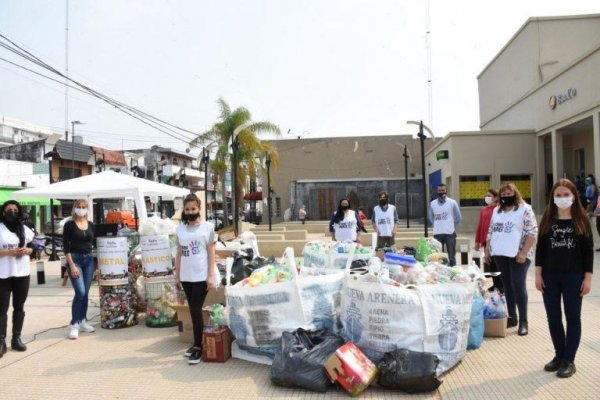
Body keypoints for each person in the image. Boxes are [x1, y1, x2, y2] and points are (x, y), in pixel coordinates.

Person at [535, 179, 593, 378]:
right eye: (558, 195)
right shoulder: (548, 219)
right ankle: (559, 356)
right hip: (550, 276)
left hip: (574, 276)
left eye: (566, 195)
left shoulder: (581, 220)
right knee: (553, 317)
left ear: (574, 196)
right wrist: (538, 274)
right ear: (552, 197)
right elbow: (540, 250)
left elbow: (588, 253)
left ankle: (569, 360)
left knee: (573, 318)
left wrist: (588, 279)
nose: (562, 199)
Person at [485, 182, 537, 336]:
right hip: (500, 252)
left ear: (515, 194)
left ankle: (523, 321)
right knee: (507, 284)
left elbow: (532, 232)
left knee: (518, 284)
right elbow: (491, 230)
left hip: (518, 254)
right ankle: (512, 317)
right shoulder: (497, 210)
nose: (507, 197)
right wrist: (488, 249)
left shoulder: (524, 209)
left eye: (509, 194)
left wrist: (523, 252)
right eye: (504, 194)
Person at [175, 193, 216, 365]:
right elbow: (178, 253)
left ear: (199, 209)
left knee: (196, 309)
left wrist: (211, 275)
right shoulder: (180, 229)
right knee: (192, 309)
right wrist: (176, 275)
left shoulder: (208, 228)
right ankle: (196, 343)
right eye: (187, 209)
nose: (190, 212)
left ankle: (198, 347)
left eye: (193, 209)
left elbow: (212, 253)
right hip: (186, 276)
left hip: (201, 275)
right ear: (184, 210)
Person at [0, 200, 34, 357]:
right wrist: (8, 253)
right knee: (2, 308)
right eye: (9, 209)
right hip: (3, 274)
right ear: (3, 211)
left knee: (19, 306)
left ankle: (16, 338)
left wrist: (27, 250)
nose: (12, 212)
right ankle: (1, 341)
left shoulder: (24, 228)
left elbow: (34, 246)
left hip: (22, 273)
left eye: (15, 210)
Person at [63, 199, 96, 340]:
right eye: (79, 207)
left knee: (86, 293)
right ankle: (74, 324)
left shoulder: (91, 224)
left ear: (87, 209)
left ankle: (82, 320)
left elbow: (92, 244)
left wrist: (97, 265)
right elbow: (66, 247)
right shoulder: (69, 225)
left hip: (88, 260)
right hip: (75, 260)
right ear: (74, 208)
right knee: (80, 292)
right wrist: (71, 265)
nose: (81, 209)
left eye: (84, 207)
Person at [474, 188, 503, 293]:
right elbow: (480, 226)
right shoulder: (484, 210)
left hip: (496, 240)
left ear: (496, 197)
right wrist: (477, 241)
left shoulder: (499, 209)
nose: (487, 198)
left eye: (490, 195)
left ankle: (500, 285)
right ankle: (495, 284)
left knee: (497, 263)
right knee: (489, 263)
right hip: (486, 241)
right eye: (486, 195)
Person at [428, 183, 462, 266]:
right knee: (437, 257)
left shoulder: (452, 203)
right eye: (439, 190)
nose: (441, 192)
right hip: (437, 234)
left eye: (443, 190)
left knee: (451, 256)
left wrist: (450, 225)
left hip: (449, 234)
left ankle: (453, 272)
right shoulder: (433, 204)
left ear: (446, 191)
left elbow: (458, 217)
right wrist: (436, 224)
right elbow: (431, 216)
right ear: (437, 191)